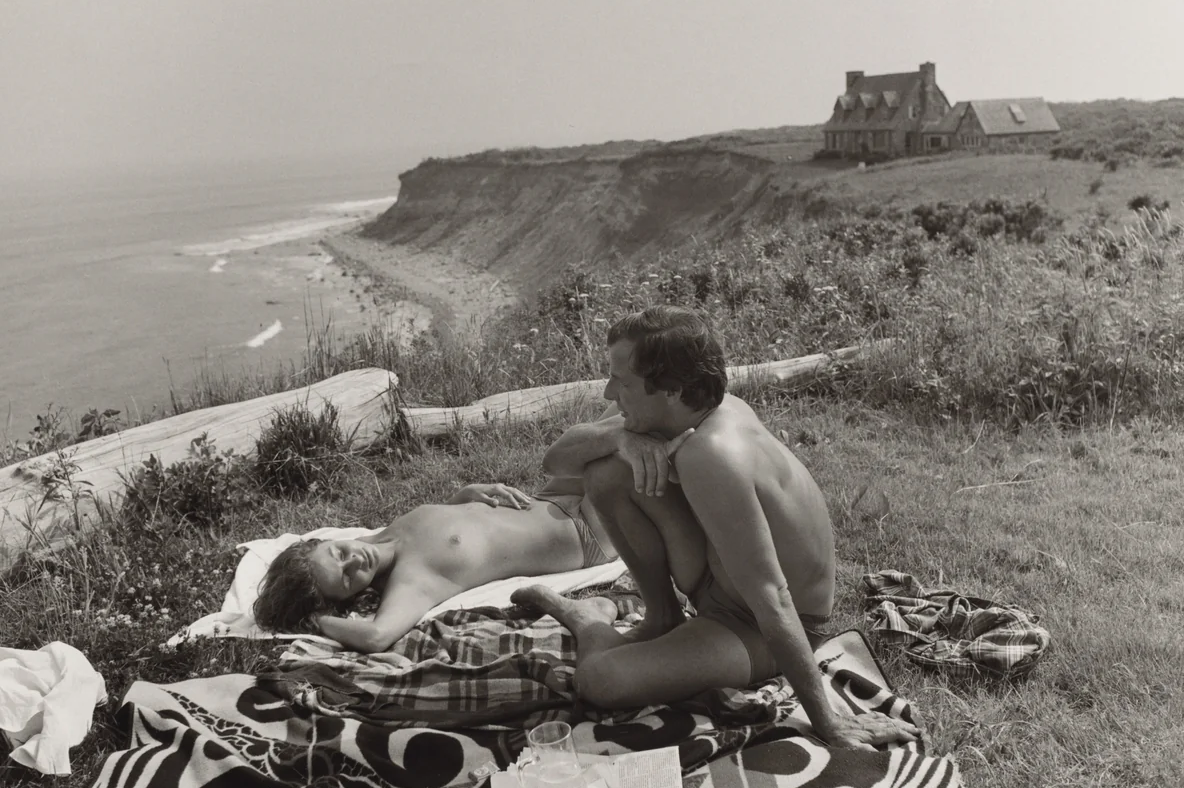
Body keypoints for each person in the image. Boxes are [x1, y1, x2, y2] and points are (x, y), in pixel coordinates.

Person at [512, 305, 919, 751]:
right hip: (717, 585)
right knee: (605, 473)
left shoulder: (712, 454)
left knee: (599, 680)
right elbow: (556, 460)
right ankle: (662, 616)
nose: (610, 392)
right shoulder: (684, 411)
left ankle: (588, 620)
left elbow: (773, 596)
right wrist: (618, 437)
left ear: (671, 390)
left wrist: (828, 721)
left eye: (622, 382)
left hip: (759, 626)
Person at [253, 480, 616, 653]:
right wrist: (316, 620)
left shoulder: (387, 534)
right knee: (624, 440)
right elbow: (377, 636)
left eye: (338, 553)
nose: (354, 560)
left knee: (625, 397)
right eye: (348, 578)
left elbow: (445, 533)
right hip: (585, 531)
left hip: (552, 496)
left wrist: (462, 499)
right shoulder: (411, 580)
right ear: (352, 595)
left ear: (322, 541)